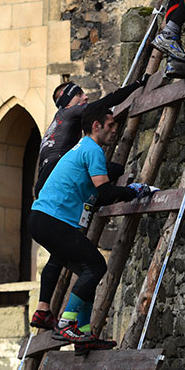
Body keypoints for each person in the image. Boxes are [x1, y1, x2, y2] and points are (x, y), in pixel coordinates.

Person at [28, 103, 157, 351]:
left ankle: (84, 335)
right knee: (97, 266)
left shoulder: (81, 148)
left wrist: (124, 190)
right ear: (96, 126)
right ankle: (67, 323)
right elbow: (105, 193)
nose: (114, 129)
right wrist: (135, 190)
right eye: (110, 125)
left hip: (41, 220)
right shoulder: (92, 149)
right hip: (52, 220)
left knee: (88, 272)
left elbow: (99, 195)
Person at [34, 78, 145, 199]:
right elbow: (107, 101)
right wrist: (138, 83)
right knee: (115, 170)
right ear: (67, 103)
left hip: (42, 183)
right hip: (56, 173)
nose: (86, 97)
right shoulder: (70, 112)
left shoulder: (58, 121)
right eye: (79, 94)